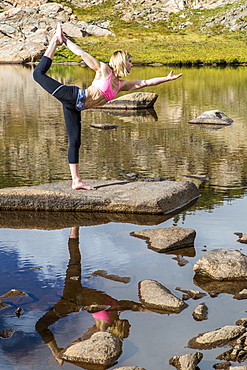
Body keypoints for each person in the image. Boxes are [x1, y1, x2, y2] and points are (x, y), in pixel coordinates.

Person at [33, 24, 182, 190]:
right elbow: (81, 53)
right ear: (122, 62)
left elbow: (144, 83)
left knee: (75, 142)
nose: (132, 65)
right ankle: (55, 41)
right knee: (37, 74)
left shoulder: (121, 84)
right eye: (130, 62)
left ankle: (76, 181)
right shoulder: (104, 70)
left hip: (76, 108)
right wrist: (65, 41)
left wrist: (166, 79)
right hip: (73, 95)